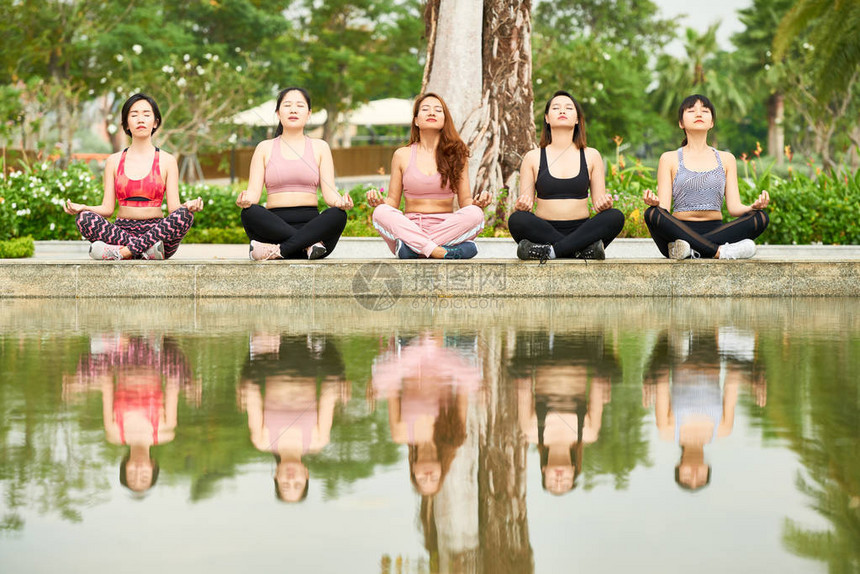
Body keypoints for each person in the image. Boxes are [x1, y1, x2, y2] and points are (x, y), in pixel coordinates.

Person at [64, 93, 203, 260]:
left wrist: (188, 206)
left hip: (157, 234)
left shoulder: (167, 160)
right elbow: (108, 209)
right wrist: (84, 207)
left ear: (155, 122)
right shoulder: (113, 161)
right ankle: (146, 251)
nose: (140, 119)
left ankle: (123, 253)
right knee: (84, 218)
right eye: (134, 115)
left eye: (146, 114)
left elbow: (174, 209)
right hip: (120, 233)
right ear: (127, 124)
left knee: (185, 215)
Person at [62, 334, 199, 494]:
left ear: (125, 466)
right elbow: (172, 385)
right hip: (154, 359)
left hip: (121, 357)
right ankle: (151, 336)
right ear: (153, 466)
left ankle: (121, 336)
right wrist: (188, 387)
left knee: (96, 364)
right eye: (144, 476)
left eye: (133, 475)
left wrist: (83, 385)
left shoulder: (114, 434)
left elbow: (106, 383)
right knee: (175, 370)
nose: (139, 470)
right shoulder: (164, 433)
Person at [643, 94, 770, 259]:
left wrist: (752, 207)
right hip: (679, 231)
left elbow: (734, 207)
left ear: (711, 122)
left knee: (760, 217)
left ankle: (690, 250)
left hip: (716, 231)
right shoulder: (669, 158)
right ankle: (719, 252)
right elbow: (664, 209)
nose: (698, 114)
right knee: (653, 213)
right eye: (691, 110)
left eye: (704, 110)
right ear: (681, 122)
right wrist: (656, 203)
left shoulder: (726, 159)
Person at [366, 93, 491, 259]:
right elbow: (392, 202)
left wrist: (477, 203)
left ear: (444, 120)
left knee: (475, 214)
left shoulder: (457, 155)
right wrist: (380, 202)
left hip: (446, 228)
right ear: (416, 120)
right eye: (425, 109)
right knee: (381, 212)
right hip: (411, 228)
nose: (432, 113)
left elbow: (465, 202)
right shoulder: (402, 155)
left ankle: (414, 249)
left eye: (438, 110)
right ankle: (439, 251)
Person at [641, 327, 766, 491]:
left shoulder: (668, 430)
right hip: (713, 353)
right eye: (700, 477)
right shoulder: (722, 429)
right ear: (707, 469)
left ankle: (676, 330)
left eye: (686, 477)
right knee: (749, 361)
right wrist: (751, 382)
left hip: (680, 353)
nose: (694, 474)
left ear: (678, 467)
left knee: (663, 364)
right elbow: (732, 378)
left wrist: (652, 378)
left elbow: (663, 378)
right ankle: (709, 329)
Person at [236, 87, 352, 260]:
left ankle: (278, 251)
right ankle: (307, 245)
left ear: (309, 113)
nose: (293, 110)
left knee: (338, 214)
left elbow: (330, 195)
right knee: (249, 212)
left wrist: (341, 202)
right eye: (287, 105)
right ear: (278, 113)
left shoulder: (320, 147)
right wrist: (245, 200)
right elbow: (253, 194)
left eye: (299, 105)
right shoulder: (264, 148)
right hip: (275, 228)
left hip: (312, 226)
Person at [509, 90, 624, 262]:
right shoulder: (532, 157)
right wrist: (522, 205)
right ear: (547, 118)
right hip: (544, 231)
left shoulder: (591, 155)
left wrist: (604, 204)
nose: (562, 111)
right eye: (556, 108)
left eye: (569, 108)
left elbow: (599, 201)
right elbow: (526, 202)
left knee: (615, 216)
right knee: (517, 219)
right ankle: (580, 251)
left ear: (577, 119)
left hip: (582, 230)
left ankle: (551, 252)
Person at [238, 333, 348, 502]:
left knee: (249, 379)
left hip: (273, 360)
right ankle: (315, 338)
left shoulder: (262, 441)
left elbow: (252, 393)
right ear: (306, 474)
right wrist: (338, 388)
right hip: (308, 363)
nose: (291, 479)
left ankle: (275, 336)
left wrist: (244, 392)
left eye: (285, 485)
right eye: (297, 484)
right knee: (334, 376)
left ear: (276, 476)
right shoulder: (318, 441)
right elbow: (328, 394)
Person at [513, 331, 615, 495]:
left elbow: (523, 387)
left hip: (542, 350)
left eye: (552, 484)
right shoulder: (588, 433)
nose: (559, 480)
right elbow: (597, 384)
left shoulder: (531, 433)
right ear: (574, 470)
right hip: (580, 351)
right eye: (567, 482)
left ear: (544, 470)